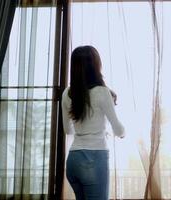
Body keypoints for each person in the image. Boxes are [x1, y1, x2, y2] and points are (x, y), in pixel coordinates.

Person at [62, 45, 125, 200]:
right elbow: (118, 129)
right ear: (96, 66)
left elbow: (67, 130)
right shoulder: (102, 92)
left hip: (73, 161)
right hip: (93, 160)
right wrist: (123, 133)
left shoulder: (66, 93)